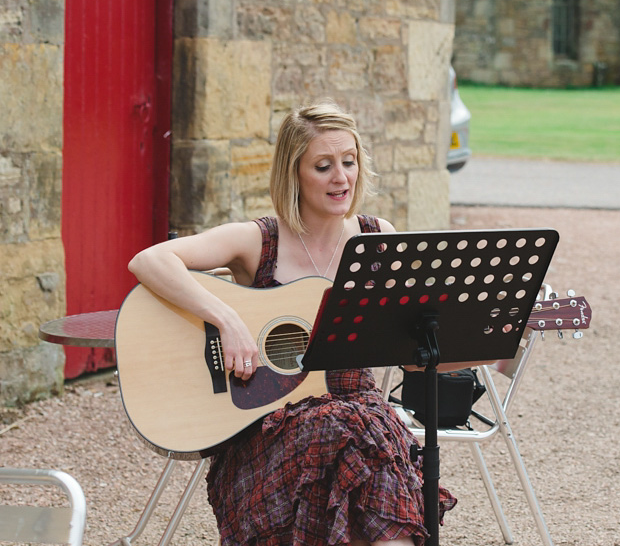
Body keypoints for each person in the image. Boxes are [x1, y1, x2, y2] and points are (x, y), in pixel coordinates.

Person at [128, 101, 456, 546]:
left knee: (359, 442)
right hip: (266, 432)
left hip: (359, 424)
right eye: (323, 166)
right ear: (293, 172)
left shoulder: (378, 237)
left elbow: (402, 341)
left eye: (349, 162)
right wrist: (226, 319)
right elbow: (149, 260)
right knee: (344, 434)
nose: (341, 178)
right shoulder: (258, 240)